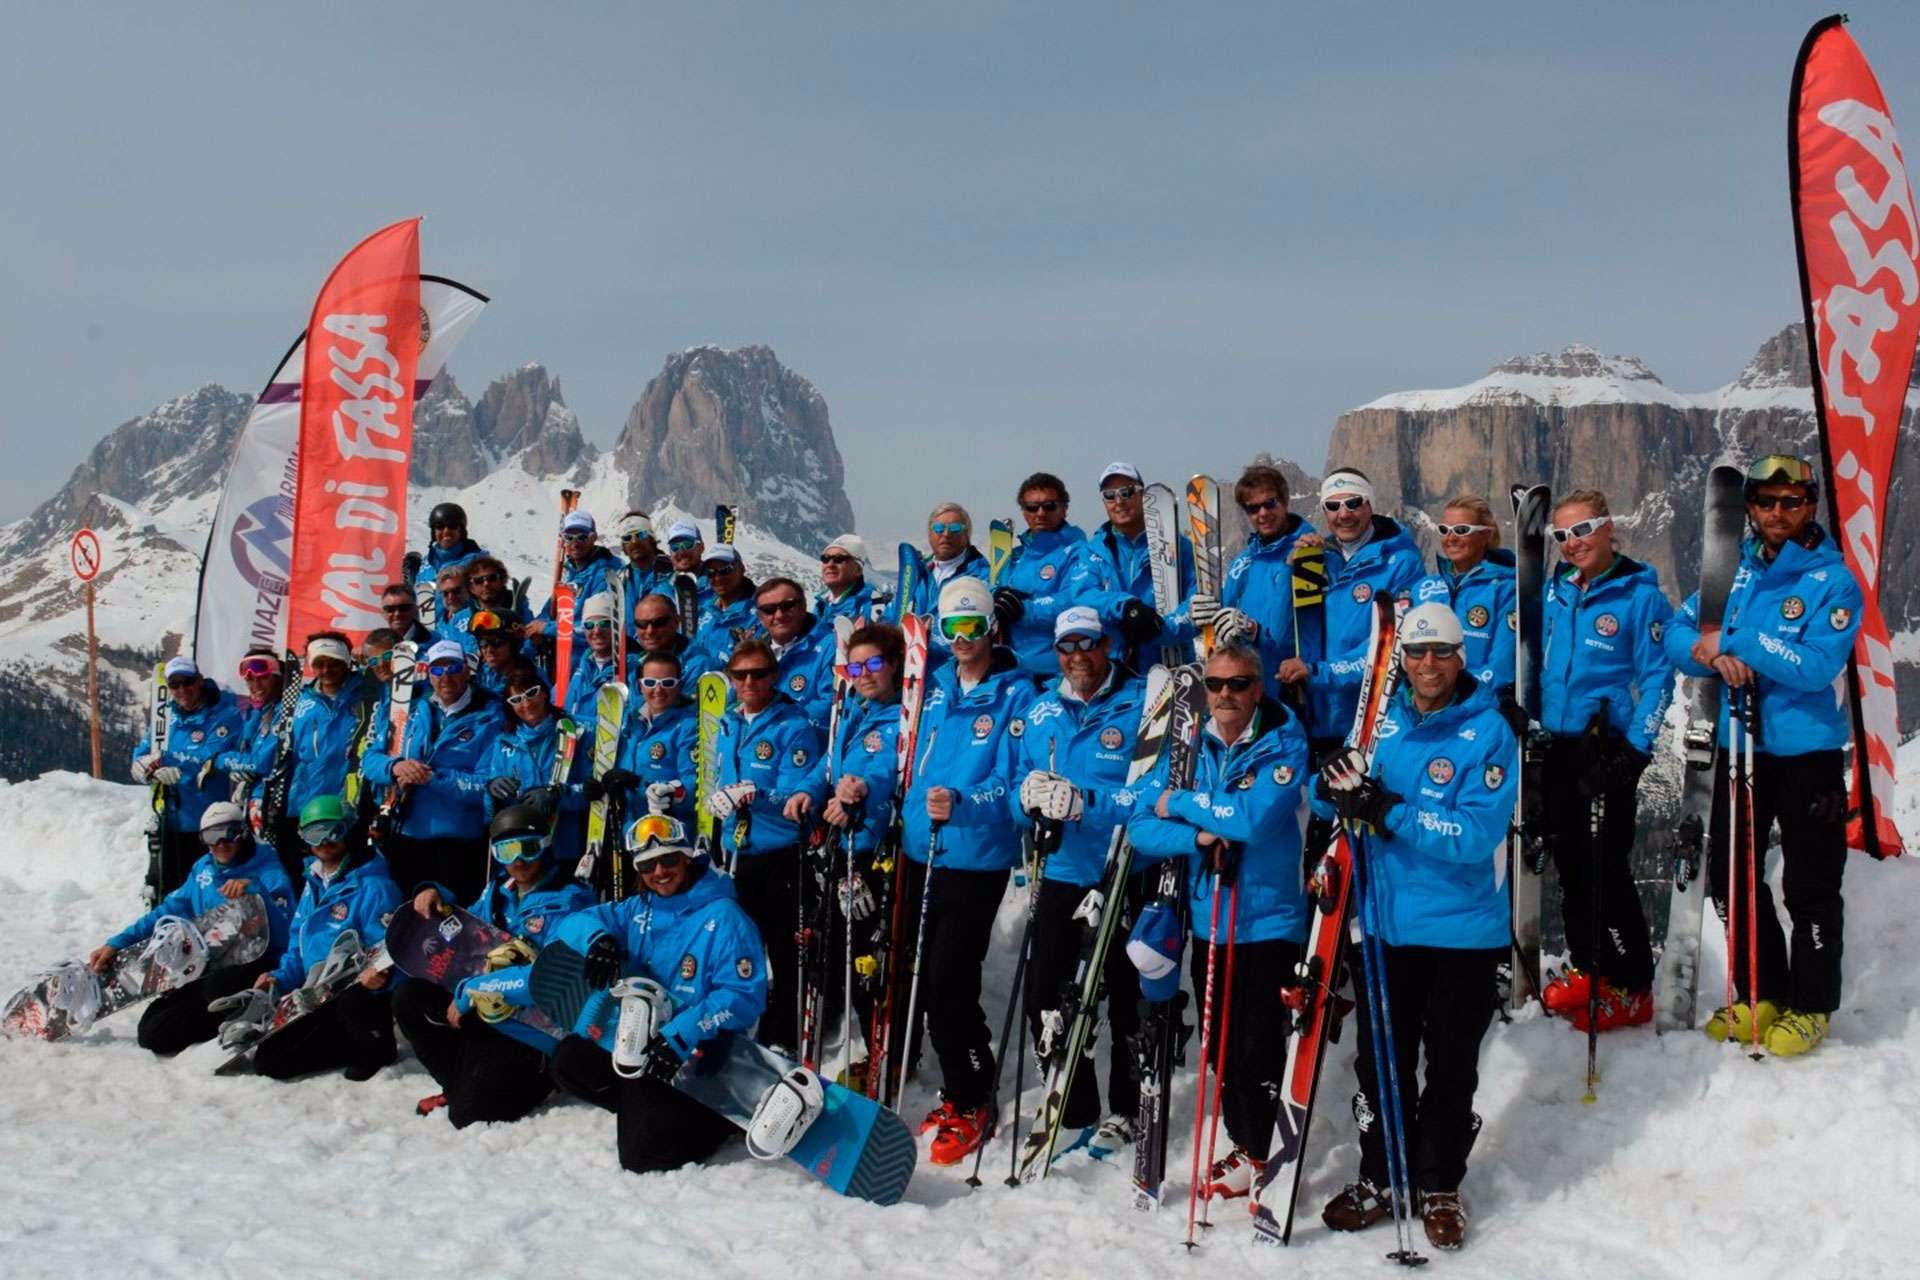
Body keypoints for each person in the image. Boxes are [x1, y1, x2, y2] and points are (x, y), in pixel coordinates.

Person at [1310, 602, 1518, 1252]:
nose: (1428, 664)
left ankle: (1439, 1185)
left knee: (1452, 1067)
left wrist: (1386, 810)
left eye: (1441, 652)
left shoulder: (1490, 733)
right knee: (1383, 1067)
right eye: (1418, 652)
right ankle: (1381, 1176)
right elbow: (1339, 789)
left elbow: (1476, 832)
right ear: (1402, 658)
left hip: (1462, 932)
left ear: (1461, 658)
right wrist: (1335, 788)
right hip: (1385, 927)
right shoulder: (1381, 723)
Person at [1664, 454, 1863, 1056]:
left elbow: (1815, 666)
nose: (1779, 513)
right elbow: (1679, 631)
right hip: (1738, 748)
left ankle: (1812, 1004)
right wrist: (1708, 654)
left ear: (1809, 508)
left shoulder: (1833, 581)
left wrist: (1736, 639)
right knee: (1734, 879)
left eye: (1792, 502)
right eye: (1767, 501)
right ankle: (1762, 990)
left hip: (1807, 757)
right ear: (1749, 507)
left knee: (1810, 884)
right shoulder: (1733, 575)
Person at [1126, 642, 1310, 1197]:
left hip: (1268, 921)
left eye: (1238, 684)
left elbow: (1251, 820)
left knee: (1257, 1044)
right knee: (1219, 1044)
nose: (1225, 695)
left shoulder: (1284, 740)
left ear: (1258, 688)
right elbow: (1140, 823)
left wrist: (1181, 803)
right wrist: (1198, 834)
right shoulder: (1188, 746)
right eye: (1216, 685)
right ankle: (1246, 1142)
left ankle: (1264, 1149)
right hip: (1210, 917)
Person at [535, 814, 768, 1174]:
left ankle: (717, 1121)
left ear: (687, 857)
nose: (659, 872)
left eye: (669, 860)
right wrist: (598, 939)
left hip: (700, 1048)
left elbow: (743, 996)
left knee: (641, 1156)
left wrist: (687, 1031)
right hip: (647, 1044)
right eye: (646, 865)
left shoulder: (725, 916)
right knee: (568, 1060)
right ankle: (650, 1107)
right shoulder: (637, 909)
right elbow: (569, 923)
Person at [899, 577, 1034, 1163]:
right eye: (952, 628)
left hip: (977, 856)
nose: (962, 638)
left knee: (950, 980)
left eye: (972, 626)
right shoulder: (932, 689)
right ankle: (956, 1087)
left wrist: (967, 804)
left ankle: (975, 1095)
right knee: (927, 979)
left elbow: (1022, 784)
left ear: (991, 628)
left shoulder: (1018, 696)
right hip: (920, 849)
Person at [1006, 605, 1149, 1151]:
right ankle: (1074, 1098)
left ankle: (1127, 1107)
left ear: (1106, 644)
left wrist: (1086, 802)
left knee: (1125, 993)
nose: (1076, 657)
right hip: (1062, 869)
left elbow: (1154, 791)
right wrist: (1027, 797)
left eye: (1087, 644)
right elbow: (1022, 795)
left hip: (1124, 867)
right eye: (1066, 647)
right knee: (1046, 989)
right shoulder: (1042, 711)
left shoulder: (1140, 706)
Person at [1537, 489, 1675, 1031]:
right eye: (1562, 535)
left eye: (1583, 529)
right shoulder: (1559, 590)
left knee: (1606, 870)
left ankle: (1633, 986)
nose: (1573, 543)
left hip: (1606, 747)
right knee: (1571, 867)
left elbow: (1660, 678)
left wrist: (1635, 752)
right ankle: (1592, 969)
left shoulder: (1639, 597)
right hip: (1557, 746)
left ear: (1608, 526)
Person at [392, 803, 597, 1127]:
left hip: (536, 1029)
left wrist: (473, 990)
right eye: (506, 851)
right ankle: (459, 1083)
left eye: (527, 849)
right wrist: (435, 893)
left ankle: (540, 1077)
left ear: (545, 845)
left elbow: (556, 975)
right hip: (490, 1012)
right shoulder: (498, 893)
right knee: (410, 998)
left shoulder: (571, 901)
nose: (517, 861)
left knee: (467, 1116)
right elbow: (468, 931)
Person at [89, 802, 296, 1056]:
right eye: (211, 836)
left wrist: (256, 892)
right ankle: (224, 1017)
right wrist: (118, 942)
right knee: (152, 1032)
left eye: (228, 833)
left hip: (259, 964)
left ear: (242, 832)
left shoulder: (268, 868)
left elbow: (289, 932)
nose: (220, 843)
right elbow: (168, 911)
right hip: (211, 965)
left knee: (216, 989)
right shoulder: (203, 869)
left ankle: (255, 1013)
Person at [705, 637, 825, 1053]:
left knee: (783, 947)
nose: (750, 681)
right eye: (741, 675)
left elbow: (799, 797)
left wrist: (756, 793)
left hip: (780, 854)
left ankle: (783, 1035)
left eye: (759, 673)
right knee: (737, 945)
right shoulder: (729, 721)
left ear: (775, 675)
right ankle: (739, 1020)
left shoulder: (794, 725)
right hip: (735, 851)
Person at [246, 795, 404, 1083]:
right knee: (268, 1056)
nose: (323, 843)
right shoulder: (314, 882)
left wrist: (381, 977)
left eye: (333, 832)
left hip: (356, 999)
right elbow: (299, 944)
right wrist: (279, 978)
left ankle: (373, 1046)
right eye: (313, 835)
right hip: (317, 993)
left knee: (275, 1061)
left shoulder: (374, 887)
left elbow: (390, 950)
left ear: (350, 831)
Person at [1275, 469, 1424, 757]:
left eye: (1353, 503)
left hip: (1373, 717)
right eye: (1333, 506)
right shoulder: (1319, 558)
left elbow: (1389, 643)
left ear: (1369, 505)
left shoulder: (1401, 562)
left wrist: (1320, 673)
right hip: (1317, 717)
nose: (1343, 514)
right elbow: (1286, 630)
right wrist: (1290, 571)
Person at [814, 622, 904, 1088]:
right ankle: (873, 1051)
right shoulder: (859, 710)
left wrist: (861, 788)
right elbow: (831, 766)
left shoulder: (900, 716)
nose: (864, 674)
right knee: (852, 956)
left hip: (876, 852)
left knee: (872, 957)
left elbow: (886, 765)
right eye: (856, 665)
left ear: (893, 665)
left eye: (873, 664)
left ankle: (886, 1055)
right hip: (845, 845)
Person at [360, 638, 502, 903]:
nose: (445, 676)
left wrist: (433, 778)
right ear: (428, 672)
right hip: (407, 831)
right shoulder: (411, 707)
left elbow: (486, 784)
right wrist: (395, 766)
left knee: (451, 922)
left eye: (453, 668)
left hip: (459, 837)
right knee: (405, 914)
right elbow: (370, 759)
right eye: (437, 669)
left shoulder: (491, 716)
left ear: (468, 670)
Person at [132, 655, 246, 893]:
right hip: (171, 823)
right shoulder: (166, 719)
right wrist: (149, 769)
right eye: (175, 684)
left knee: (210, 893)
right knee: (173, 892)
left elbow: (216, 756)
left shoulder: (226, 714)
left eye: (188, 682)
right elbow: (140, 758)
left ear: (200, 681)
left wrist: (180, 769)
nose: (182, 689)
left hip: (214, 824)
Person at [1204, 464, 1315, 706]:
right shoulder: (1243, 561)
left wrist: (1255, 632)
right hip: (1246, 691)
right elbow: (1221, 611)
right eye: (1253, 508)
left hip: (1291, 692)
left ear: (1285, 501)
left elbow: (1312, 633)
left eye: (1270, 503)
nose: (1262, 513)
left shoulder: (1309, 550)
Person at [482, 662, 595, 871]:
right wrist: (492, 790)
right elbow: (490, 812)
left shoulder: (574, 732)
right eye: (516, 699)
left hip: (565, 840)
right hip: (521, 843)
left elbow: (592, 789)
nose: (526, 703)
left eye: (531, 693)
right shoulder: (504, 742)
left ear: (544, 693)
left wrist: (558, 795)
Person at [1081, 460, 1193, 664]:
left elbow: (1196, 602)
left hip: (1169, 660)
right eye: (1109, 495)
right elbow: (1083, 595)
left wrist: (1160, 629)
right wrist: (1125, 607)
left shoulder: (1180, 547)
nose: (1119, 501)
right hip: (1114, 668)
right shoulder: (1092, 551)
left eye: (1127, 492)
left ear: (1142, 495)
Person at [993, 472, 1104, 677]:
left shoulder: (1080, 552)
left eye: (1049, 506)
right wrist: (995, 599)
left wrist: (1024, 609)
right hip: (1010, 669)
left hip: (1055, 670)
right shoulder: (1015, 557)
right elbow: (995, 588)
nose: (1040, 513)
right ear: (1024, 512)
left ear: (1064, 509)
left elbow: (1076, 601)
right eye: (1032, 507)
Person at [285, 632, 378, 862]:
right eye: (319, 664)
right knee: (309, 872)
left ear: (346, 662)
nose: (326, 670)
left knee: (349, 868)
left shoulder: (368, 693)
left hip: (349, 803)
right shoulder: (300, 702)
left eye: (333, 663)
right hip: (309, 805)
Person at [1410, 495, 1516, 691]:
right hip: (1428, 705)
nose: (1451, 538)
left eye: (1461, 530)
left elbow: (1502, 667)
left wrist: (1453, 692)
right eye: (1444, 530)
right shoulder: (1424, 588)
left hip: (1477, 707)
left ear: (1485, 535)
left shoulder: (1506, 589)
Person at [605, 649, 700, 830]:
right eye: (650, 682)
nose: (658, 690)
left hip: (669, 834)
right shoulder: (630, 722)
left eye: (667, 683)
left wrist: (639, 784)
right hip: (629, 830)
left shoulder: (689, 727)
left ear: (679, 685)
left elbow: (692, 790)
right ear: (640, 686)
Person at [212, 648, 291, 861]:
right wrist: (231, 764)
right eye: (250, 679)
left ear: (277, 678)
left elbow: (261, 763)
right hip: (252, 801)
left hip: (275, 803)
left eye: (263, 678)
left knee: (270, 863)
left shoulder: (286, 712)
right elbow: (238, 751)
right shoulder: (255, 712)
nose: (255, 685)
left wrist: (221, 761)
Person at [528, 510, 619, 659]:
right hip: (560, 659)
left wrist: (548, 629)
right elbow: (547, 614)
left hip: (588, 659)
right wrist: (533, 631)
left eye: (581, 538)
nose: (575, 544)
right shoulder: (568, 574)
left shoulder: (604, 575)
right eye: (569, 538)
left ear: (593, 538)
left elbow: (595, 629)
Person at [754, 576, 839, 729]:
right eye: (769, 610)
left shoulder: (832, 646)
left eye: (787, 606)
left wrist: (778, 722)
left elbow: (832, 703)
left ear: (803, 606)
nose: (779, 615)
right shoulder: (754, 652)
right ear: (760, 617)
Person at [893, 503, 992, 621]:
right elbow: (891, 616)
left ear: (967, 535)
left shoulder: (982, 576)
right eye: (938, 528)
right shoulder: (916, 575)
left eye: (955, 528)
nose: (946, 534)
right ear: (929, 534)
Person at [563, 592, 627, 724]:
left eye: (604, 624)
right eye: (589, 625)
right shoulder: (582, 666)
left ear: (617, 627)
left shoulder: (631, 669)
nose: (596, 631)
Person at [614, 511, 676, 601]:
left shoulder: (672, 572)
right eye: (627, 538)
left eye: (640, 535)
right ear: (623, 545)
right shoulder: (619, 580)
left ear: (651, 538)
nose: (634, 542)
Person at [422, 502, 488, 579]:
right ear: (434, 532)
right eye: (440, 527)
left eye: (452, 526)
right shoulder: (426, 563)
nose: (446, 531)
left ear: (461, 531)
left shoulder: (478, 563)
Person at [381, 582, 436, 646]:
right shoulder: (378, 644)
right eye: (390, 609)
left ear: (415, 610)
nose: (397, 614)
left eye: (403, 608)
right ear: (382, 612)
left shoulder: (435, 642)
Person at [433, 562, 473, 642]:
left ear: (469, 589)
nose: (450, 597)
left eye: (456, 591)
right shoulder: (438, 625)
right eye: (445, 593)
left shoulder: (477, 617)